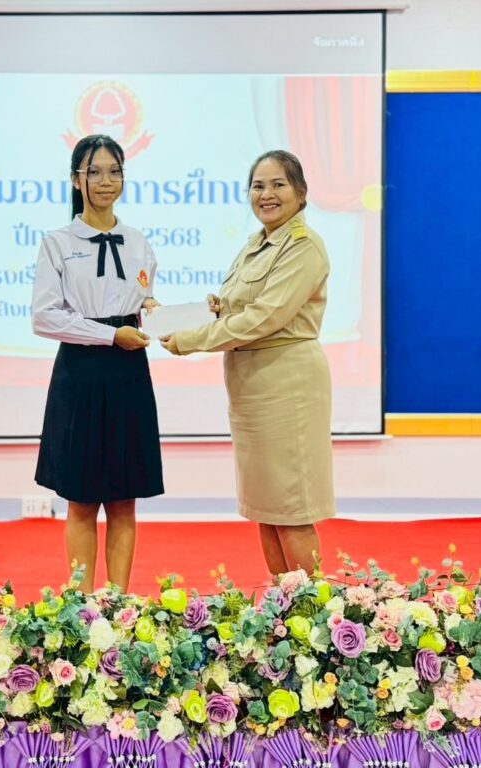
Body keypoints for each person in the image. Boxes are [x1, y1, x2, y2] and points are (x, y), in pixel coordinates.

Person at [160, 150, 334, 576]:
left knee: (291, 508)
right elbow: (243, 307)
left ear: (301, 192)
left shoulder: (303, 246)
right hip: (252, 387)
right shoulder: (256, 244)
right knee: (266, 507)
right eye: (258, 185)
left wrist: (191, 339)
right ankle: (283, 605)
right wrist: (211, 310)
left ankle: (314, 608)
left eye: (278, 184)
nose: (266, 194)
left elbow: (265, 317)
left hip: (286, 385)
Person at [31, 134, 163, 593]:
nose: (106, 181)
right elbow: (44, 317)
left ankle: (118, 603)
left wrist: (157, 311)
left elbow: (142, 302)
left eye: (114, 171)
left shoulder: (139, 242)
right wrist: (109, 335)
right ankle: (82, 604)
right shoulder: (57, 243)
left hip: (129, 374)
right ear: (76, 179)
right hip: (80, 374)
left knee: (124, 500)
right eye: (95, 172)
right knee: (82, 500)